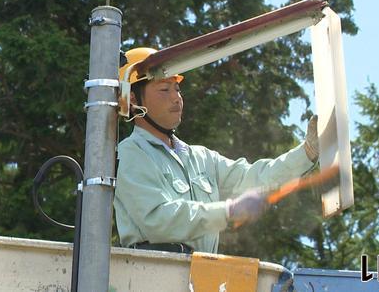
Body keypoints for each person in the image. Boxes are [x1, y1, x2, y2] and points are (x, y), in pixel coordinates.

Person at [114, 47, 320, 254]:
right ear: (132, 99)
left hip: (199, 276)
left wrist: (306, 153)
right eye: (164, 89)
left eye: (177, 88)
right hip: (153, 276)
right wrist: (227, 211)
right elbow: (158, 220)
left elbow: (253, 177)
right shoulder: (131, 153)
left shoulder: (200, 158)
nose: (176, 98)